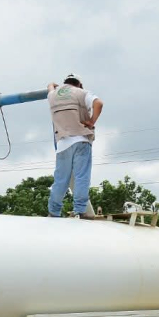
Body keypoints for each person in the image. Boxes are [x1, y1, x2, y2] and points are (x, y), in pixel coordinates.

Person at [46, 74, 103, 219]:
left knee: (60, 180)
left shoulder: (52, 95)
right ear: (79, 84)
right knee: (81, 177)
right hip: (81, 140)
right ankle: (80, 210)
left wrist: (54, 85)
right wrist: (91, 121)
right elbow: (99, 104)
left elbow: (50, 86)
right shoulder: (81, 93)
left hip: (62, 144)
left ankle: (53, 212)